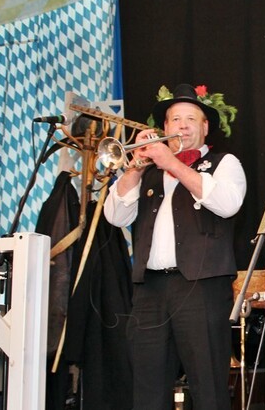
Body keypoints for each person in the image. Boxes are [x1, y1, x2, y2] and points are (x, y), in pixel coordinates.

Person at [104, 83, 247, 410]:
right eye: (175, 120)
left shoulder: (224, 163)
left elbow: (227, 204)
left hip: (201, 288)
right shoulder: (148, 173)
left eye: (190, 119)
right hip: (150, 290)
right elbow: (115, 215)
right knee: (147, 388)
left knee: (208, 387)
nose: (182, 126)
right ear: (164, 128)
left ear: (205, 127)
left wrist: (172, 163)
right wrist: (135, 166)